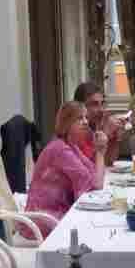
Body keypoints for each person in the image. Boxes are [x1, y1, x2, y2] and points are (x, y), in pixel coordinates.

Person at [22, 101, 108, 238]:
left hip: (56, 213)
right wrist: (100, 152)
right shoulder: (60, 149)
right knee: (94, 229)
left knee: (98, 223)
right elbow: (97, 184)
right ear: (66, 123)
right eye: (79, 118)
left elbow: (94, 175)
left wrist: (99, 152)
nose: (86, 122)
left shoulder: (71, 146)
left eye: (86, 117)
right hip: (43, 220)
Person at [72, 81, 122, 163]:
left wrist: (115, 137)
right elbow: (88, 165)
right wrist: (106, 134)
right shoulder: (75, 131)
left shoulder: (94, 126)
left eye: (102, 103)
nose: (101, 110)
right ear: (80, 106)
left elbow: (109, 160)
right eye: (94, 104)